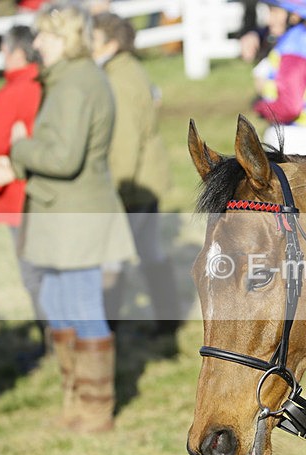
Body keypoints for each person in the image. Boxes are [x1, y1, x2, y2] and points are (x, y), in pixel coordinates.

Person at [0, 3, 136, 434]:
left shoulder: (75, 84)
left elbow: (64, 158)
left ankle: (96, 409)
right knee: (59, 304)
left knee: (81, 305)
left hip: (75, 215)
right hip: (59, 211)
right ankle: (75, 400)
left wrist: (20, 148)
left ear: (64, 38)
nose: (37, 44)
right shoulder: (68, 79)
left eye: (44, 36)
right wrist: (20, 166)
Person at [91, 12, 181, 336]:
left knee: (112, 259)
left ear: (112, 44)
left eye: (95, 40)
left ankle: (104, 331)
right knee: (150, 251)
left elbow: (125, 145)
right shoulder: (129, 70)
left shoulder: (117, 80)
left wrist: (115, 190)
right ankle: (168, 321)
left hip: (134, 185)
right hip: (148, 180)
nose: (89, 46)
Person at [0, 25, 47, 362]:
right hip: (48, 194)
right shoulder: (48, 84)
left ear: (16, 52)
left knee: (34, 276)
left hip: (17, 196)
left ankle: (51, 342)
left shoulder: (10, 93)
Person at [250, 0, 306, 155]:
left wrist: (260, 106)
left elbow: (290, 107)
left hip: (294, 140)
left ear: (294, 16)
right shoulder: (302, 39)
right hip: (304, 137)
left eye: (274, 12)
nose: (268, 20)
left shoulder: (294, 47)